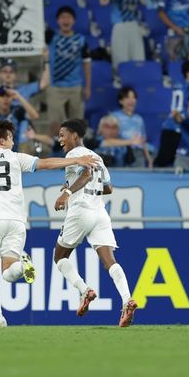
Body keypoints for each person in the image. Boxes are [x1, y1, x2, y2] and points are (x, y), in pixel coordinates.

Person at [0, 120, 99, 327]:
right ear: (2, 140)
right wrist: (78, 160)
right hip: (15, 221)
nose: (13, 141)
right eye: (10, 137)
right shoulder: (15, 158)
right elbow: (46, 163)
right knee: (9, 272)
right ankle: (21, 266)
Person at [52, 119, 138, 327]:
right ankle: (127, 299)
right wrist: (75, 186)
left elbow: (86, 174)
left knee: (59, 257)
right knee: (110, 260)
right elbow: (108, 188)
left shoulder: (74, 155)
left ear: (75, 136)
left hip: (81, 210)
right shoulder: (97, 157)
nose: (60, 139)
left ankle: (84, 290)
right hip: (100, 212)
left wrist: (67, 192)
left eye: (63, 134)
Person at [45, 6, 91, 135]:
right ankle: (55, 150)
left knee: (77, 125)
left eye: (68, 17)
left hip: (75, 87)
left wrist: (88, 86)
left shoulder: (81, 40)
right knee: (54, 124)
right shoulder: (51, 36)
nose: (66, 20)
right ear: (58, 20)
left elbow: (87, 63)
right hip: (55, 87)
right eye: (62, 17)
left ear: (74, 20)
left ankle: (76, 152)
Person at [99, 0, 154, 69]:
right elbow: (103, 2)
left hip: (134, 26)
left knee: (138, 57)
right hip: (119, 26)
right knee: (120, 59)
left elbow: (150, 4)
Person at [110, 86, 153, 168]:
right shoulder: (114, 117)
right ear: (121, 101)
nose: (131, 100)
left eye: (133, 97)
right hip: (122, 153)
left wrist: (149, 160)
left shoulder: (139, 119)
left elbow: (143, 141)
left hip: (138, 153)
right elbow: (108, 139)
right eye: (127, 97)